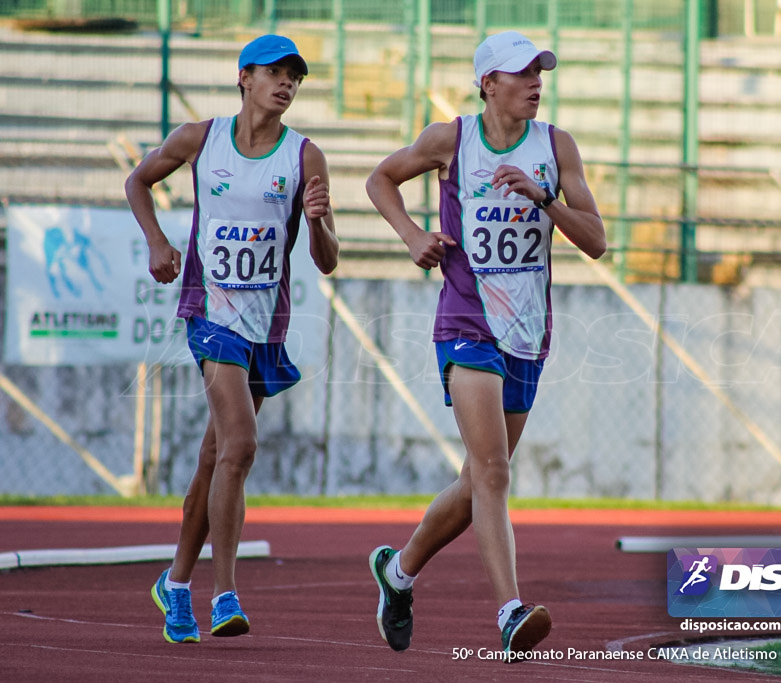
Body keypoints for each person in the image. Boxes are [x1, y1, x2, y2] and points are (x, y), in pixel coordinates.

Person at [364, 30, 606, 656]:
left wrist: (543, 197)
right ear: (488, 83)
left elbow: (598, 240)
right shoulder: (452, 138)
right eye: (522, 72)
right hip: (467, 323)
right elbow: (381, 179)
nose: (536, 82)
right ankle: (508, 612)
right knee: (495, 471)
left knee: (477, 482)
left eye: (540, 72)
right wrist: (413, 234)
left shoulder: (556, 146)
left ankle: (398, 573)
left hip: (528, 332)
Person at [125, 34, 339, 643]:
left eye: (295, 76)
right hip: (211, 315)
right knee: (240, 445)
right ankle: (224, 594)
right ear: (243, 76)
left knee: (216, 458)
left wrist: (321, 220)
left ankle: (174, 583)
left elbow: (326, 260)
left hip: (267, 325)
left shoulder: (305, 157)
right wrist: (158, 242)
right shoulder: (201, 138)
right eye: (274, 72)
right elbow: (137, 182)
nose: (286, 84)